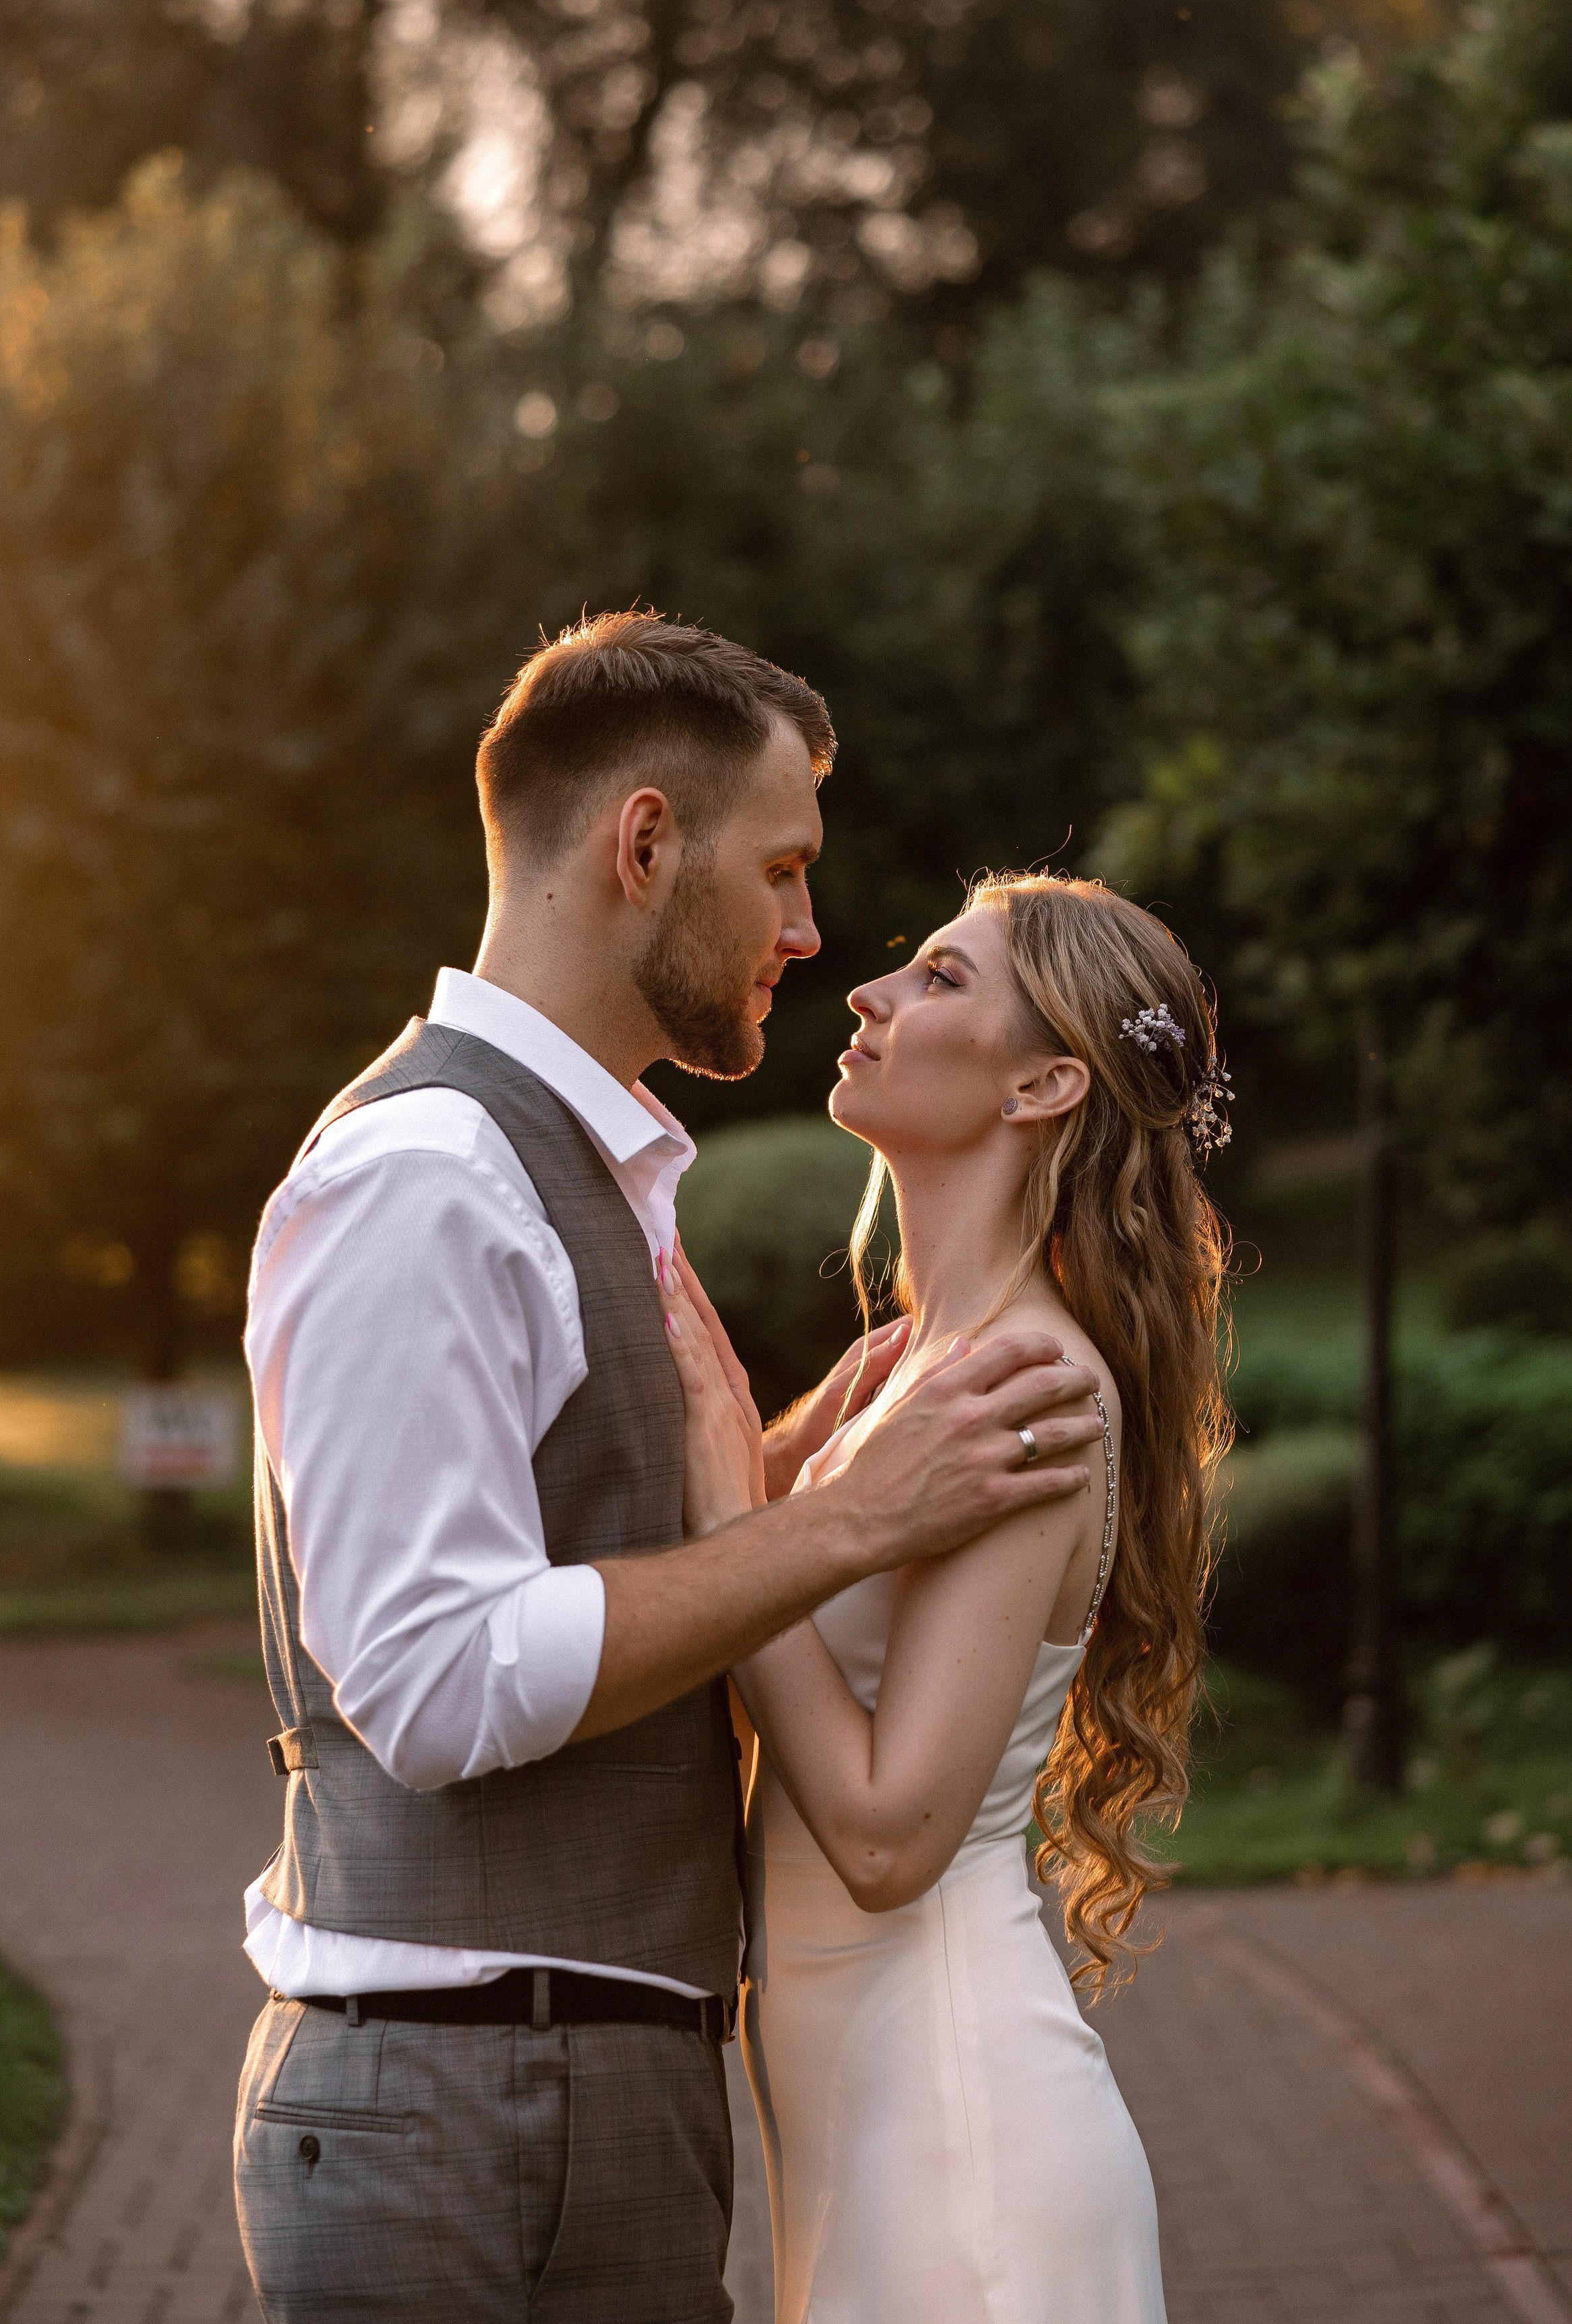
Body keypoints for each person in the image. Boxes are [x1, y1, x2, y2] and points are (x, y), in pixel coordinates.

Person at [233, 613, 1103, 2323]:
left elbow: (574, 1548)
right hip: (463, 2104)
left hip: (584, 2086)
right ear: (644, 846)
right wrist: (843, 1522)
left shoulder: (579, 1171)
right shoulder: (431, 1172)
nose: (809, 931)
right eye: (780, 871)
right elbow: (431, 1680)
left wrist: (771, 1476)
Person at [662, 871, 1232, 2324]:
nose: (868, 993)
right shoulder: (908, 1372)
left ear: (1043, 1085)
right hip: (862, 2115)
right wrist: (770, 1487)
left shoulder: (1024, 1395)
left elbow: (886, 1835)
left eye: (939, 978)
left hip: (958, 2142)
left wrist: (739, 1516)